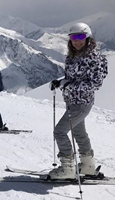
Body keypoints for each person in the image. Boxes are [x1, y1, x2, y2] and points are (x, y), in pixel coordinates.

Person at [49, 23, 108, 179]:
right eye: (73, 37)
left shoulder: (93, 58)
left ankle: (67, 169)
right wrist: (61, 82)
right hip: (73, 102)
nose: (77, 41)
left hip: (82, 104)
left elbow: (95, 83)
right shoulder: (73, 56)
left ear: (87, 38)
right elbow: (73, 79)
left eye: (80, 36)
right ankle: (88, 166)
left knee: (59, 131)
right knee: (78, 132)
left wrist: (69, 85)